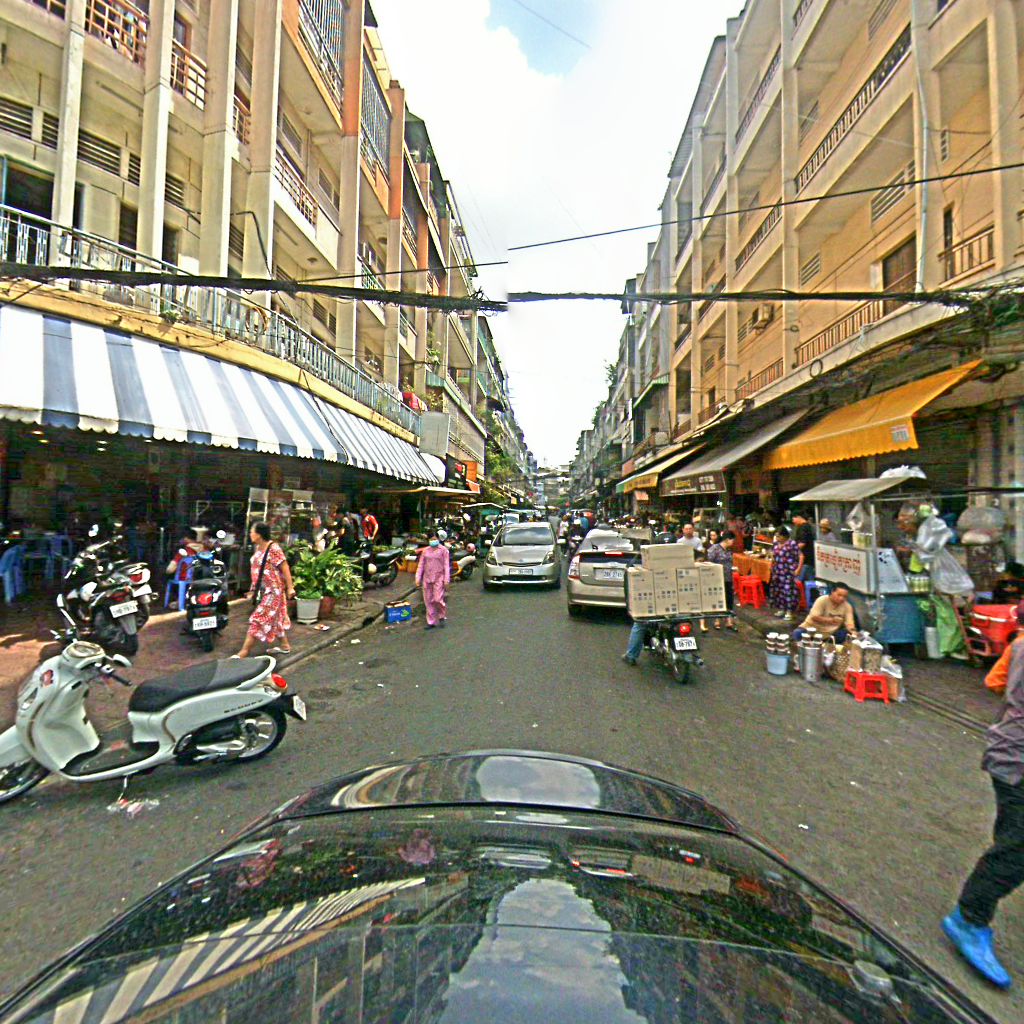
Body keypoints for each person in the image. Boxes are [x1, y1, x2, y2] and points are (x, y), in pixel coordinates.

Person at [942, 621, 1024, 989]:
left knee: (1013, 840)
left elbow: (995, 681)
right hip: (1017, 762)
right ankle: (969, 918)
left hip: (1009, 750)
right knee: (1016, 847)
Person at [235, 522, 295, 657]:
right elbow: (257, 570)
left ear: (259, 534)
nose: (250, 534)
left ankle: (244, 651)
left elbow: (285, 567)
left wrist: (290, 588)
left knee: (258, 618)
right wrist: (253, 590)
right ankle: (285, 646)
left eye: (252, 532)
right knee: (276, 619)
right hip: (264, 590)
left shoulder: (273, 548)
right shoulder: (258, 548)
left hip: (274, 591)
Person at [416, 530, 450, 629]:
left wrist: (446, 580)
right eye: (431, 539)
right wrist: (418, 578)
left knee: (437, 599)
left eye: (435, 539)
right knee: (428, 600)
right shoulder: (425, 551)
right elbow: (421, 565)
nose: (433, 541)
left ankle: (441, 616)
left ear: (438, 539)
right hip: (427, 578)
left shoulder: (443, 550)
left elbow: (446, 566)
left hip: (439, 578)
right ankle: (431, 622)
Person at [705, 530, 738, 631]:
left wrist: (732, 568)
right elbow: (708, 562)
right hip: (717, 579)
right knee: (718, 599)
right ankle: (717, 620)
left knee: (729, 599)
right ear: (727, 540)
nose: (733, 542)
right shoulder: (715, 548)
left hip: (728, 578)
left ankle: (729, 621)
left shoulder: (729, 550)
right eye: (732, 540)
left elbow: (729, 562)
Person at [769, 526, 801, 621]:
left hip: (788, 571)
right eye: (776, 536)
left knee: (788, 591)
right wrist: (771, 564)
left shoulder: (792, 544)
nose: (777, 538)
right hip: (778, 571)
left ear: (784, 536)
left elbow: (801, 556)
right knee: (779, 590)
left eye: (779, 536)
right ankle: (782, 609)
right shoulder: (776, 544)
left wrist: (798, 569)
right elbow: (773, 555)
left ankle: (789, 612)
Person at [792, 513, 816, 582]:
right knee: (809, 582)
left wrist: (791, 550)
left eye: (793, 519)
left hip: (805, 560)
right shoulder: (807, 526)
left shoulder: (804, 527)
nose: (793, 522)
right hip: (808, 560)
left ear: (799, 517)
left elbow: (802, 543)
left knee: (799, 582)